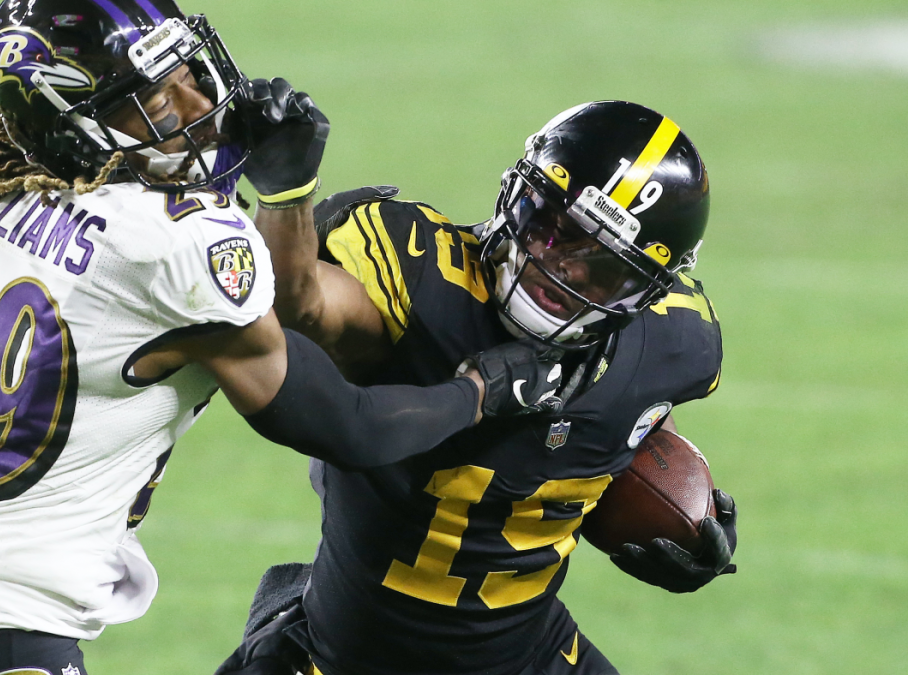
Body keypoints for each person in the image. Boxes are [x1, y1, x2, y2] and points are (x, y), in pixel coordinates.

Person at [0, 2, 567, 674]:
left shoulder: (4, 184)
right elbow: (348, 427)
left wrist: (282, 198)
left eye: (189, 76)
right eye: (160, 101)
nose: (201, 107)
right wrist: (480, 391)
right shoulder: (172, 246)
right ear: (79, 125)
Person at [219, 100, 739, 675]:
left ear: (646, 291)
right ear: (517, 197)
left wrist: (679, 513)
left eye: (605, 267)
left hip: (530, 656)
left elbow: (635, 418)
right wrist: (287, 196)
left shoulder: (672, 342)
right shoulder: (424, 275)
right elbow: (292, 305)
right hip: (350, 656)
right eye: (555, 230)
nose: (565, 268)